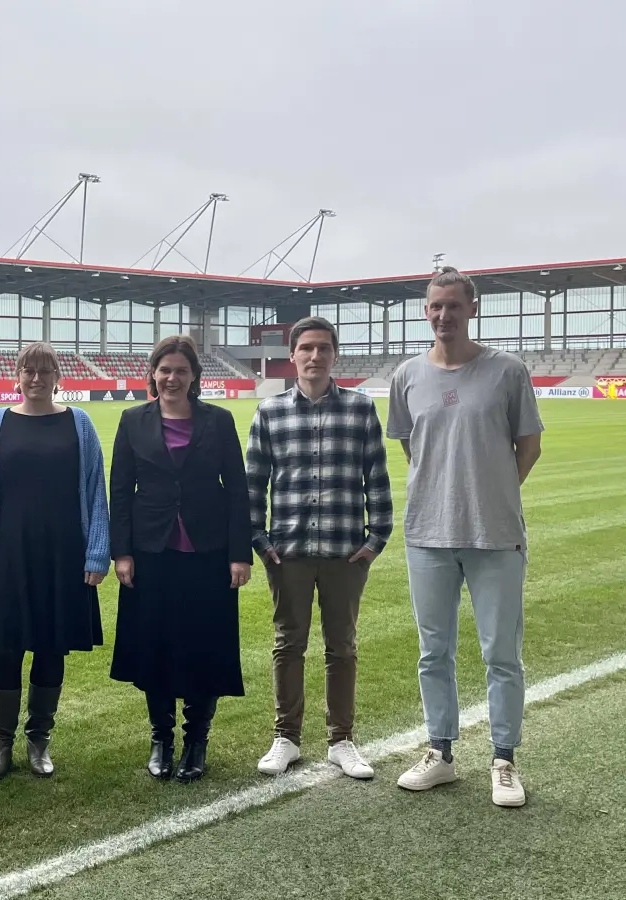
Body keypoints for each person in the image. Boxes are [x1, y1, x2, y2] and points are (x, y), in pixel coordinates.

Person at [387, 267, 543, 808]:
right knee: (435, 652)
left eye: (453, 305)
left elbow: (529, 446)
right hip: (427, 535)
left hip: (495, 535)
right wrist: (447, 494)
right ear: (425, 311)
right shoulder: (407, 376)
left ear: (471, 308)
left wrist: (489, 493)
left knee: (501, 653)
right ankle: (441, 754)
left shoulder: (506, 371)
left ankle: (504, 759)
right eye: (435, 306)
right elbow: (413, 449)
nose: (443, 315)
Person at [245, 316, 392, 781]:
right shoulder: (270, 411)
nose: (314, 356)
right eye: (306, 348)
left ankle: (341, 739)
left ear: (334, 355)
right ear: (292, 356)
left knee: (342, 647)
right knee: (288, 645)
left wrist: (376, 539)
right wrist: (259, 540)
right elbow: (254, 484)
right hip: (286, 552)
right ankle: (286, 737)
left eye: (323, 348)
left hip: (344, 552)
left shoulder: (361, 410)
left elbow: (377, 478)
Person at [109, 334, 251, 783]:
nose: (172, 378)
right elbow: (120, 493)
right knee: (155, 644)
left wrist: (238, 555)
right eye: (165, 369)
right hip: (152, 554)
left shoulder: (220, 421)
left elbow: (238, 491)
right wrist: (122, 552)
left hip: (208, 554)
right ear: (153, 373)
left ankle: (196, 739)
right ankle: (162, 738)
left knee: (203, 645)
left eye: (181, 370)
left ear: (194, 377)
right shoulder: (132, 421)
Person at [0, 342, 108, 781]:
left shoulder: (79, 425)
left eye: (45, 371)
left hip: (64, 554)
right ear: (18, 375)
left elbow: (95, 491)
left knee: (50, 647)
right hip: (10, 553)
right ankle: (0, 742)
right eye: (29, 370)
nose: (37, 379)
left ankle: (39, 740)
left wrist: (97, 550)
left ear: (57, 376)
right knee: (6, 647)